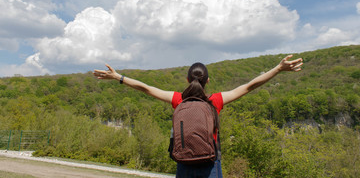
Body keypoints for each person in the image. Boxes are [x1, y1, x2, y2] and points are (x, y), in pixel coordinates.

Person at [93, 55, 303, 177]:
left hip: (184, 162)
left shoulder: (178, 100)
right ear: (208, 81)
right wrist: (278, 68)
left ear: (186, 79)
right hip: (211, 163)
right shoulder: (215, 101)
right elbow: (249, 86)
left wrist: (118, 77)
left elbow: (146, 88)